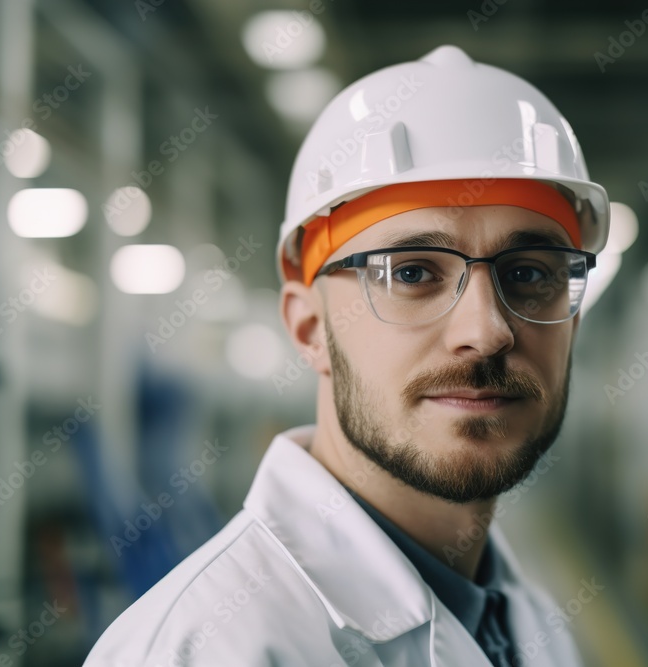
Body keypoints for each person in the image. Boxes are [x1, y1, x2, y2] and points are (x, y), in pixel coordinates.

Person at [85, 43, 610, 666]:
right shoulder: (202, 650)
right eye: (413, 273)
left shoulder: (530, 622)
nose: (487, 330)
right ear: (310, 329)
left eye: (529, 274)